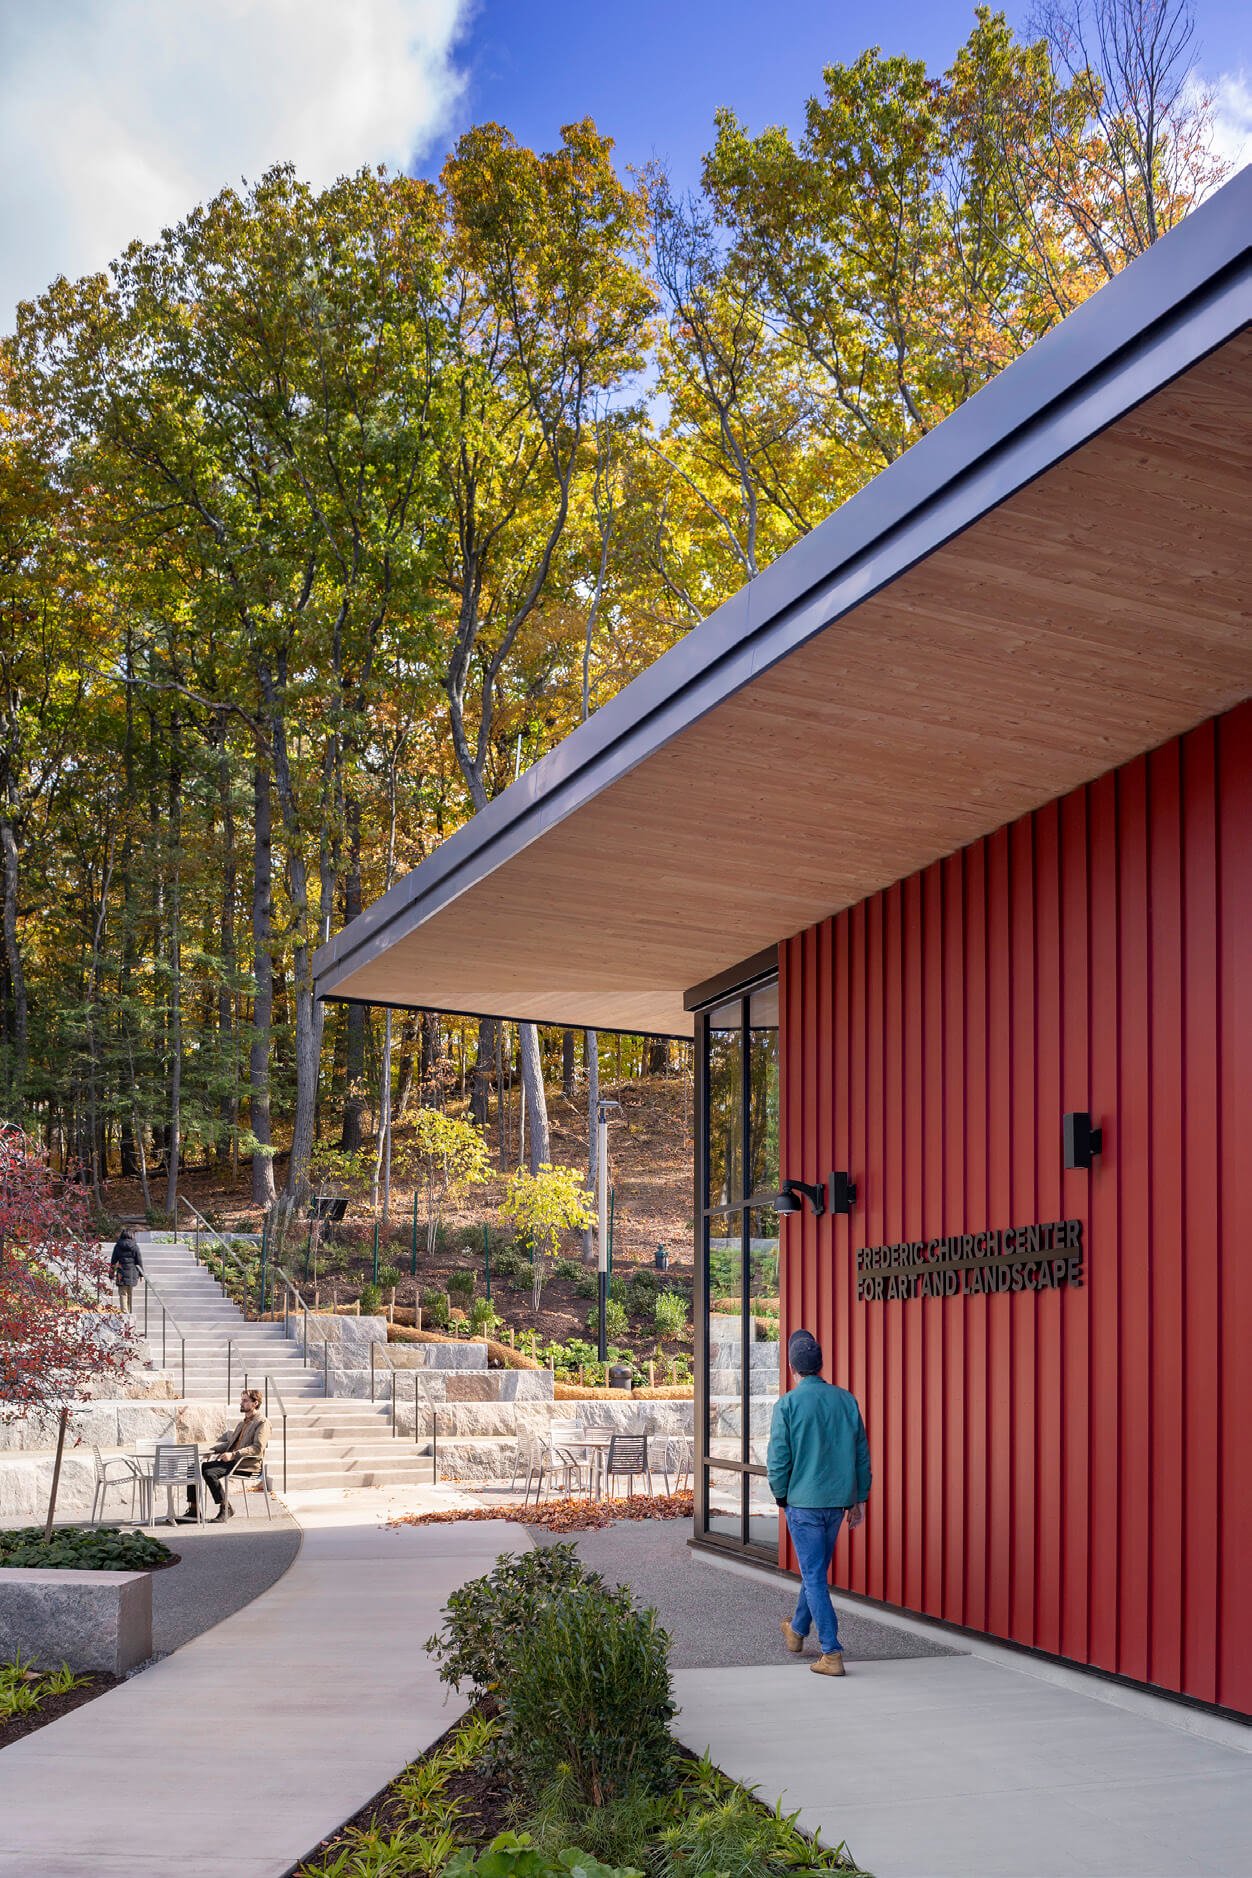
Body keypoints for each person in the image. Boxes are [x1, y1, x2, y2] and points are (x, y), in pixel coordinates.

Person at [766, 1327, 871, 1679]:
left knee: (813, 1575)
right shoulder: (846, 1400)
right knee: (814, 1573)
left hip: (804, 1503)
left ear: (794, 1368)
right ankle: (796, 1631)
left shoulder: (789, 1404)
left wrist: (779, 1494)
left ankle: (832, 1651)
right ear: (821, 1365)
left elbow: (778, 1459)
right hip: (837, 1504)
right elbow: (861, 1455)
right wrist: (859, 1499)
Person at [182, 1388, 270, 1523]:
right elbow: (230, 1443)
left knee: (209, 1472)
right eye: (242, 1400)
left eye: (245, 1401)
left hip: (246, 1464)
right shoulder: (242, 1423)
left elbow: (257, 1448)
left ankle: (226, 1508)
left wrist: (234, 1455)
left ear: (255, 1403)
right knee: (193, 1468)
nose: (241, 1403)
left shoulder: (262, 1423)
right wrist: (210, 1450)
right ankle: (194, 1510)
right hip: (231, 1461)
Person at [109, 1227, 144, 1313]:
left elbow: (113, 1261)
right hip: (132, 1272)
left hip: (121, 1272)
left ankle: (125, 1312)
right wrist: (141, 1274)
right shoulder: (135, 1246)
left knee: (122, 1293)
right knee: (130, 1293)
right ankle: (130, 1312)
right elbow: (139, 1261)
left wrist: (111, 1274)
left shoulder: (117, 1246)